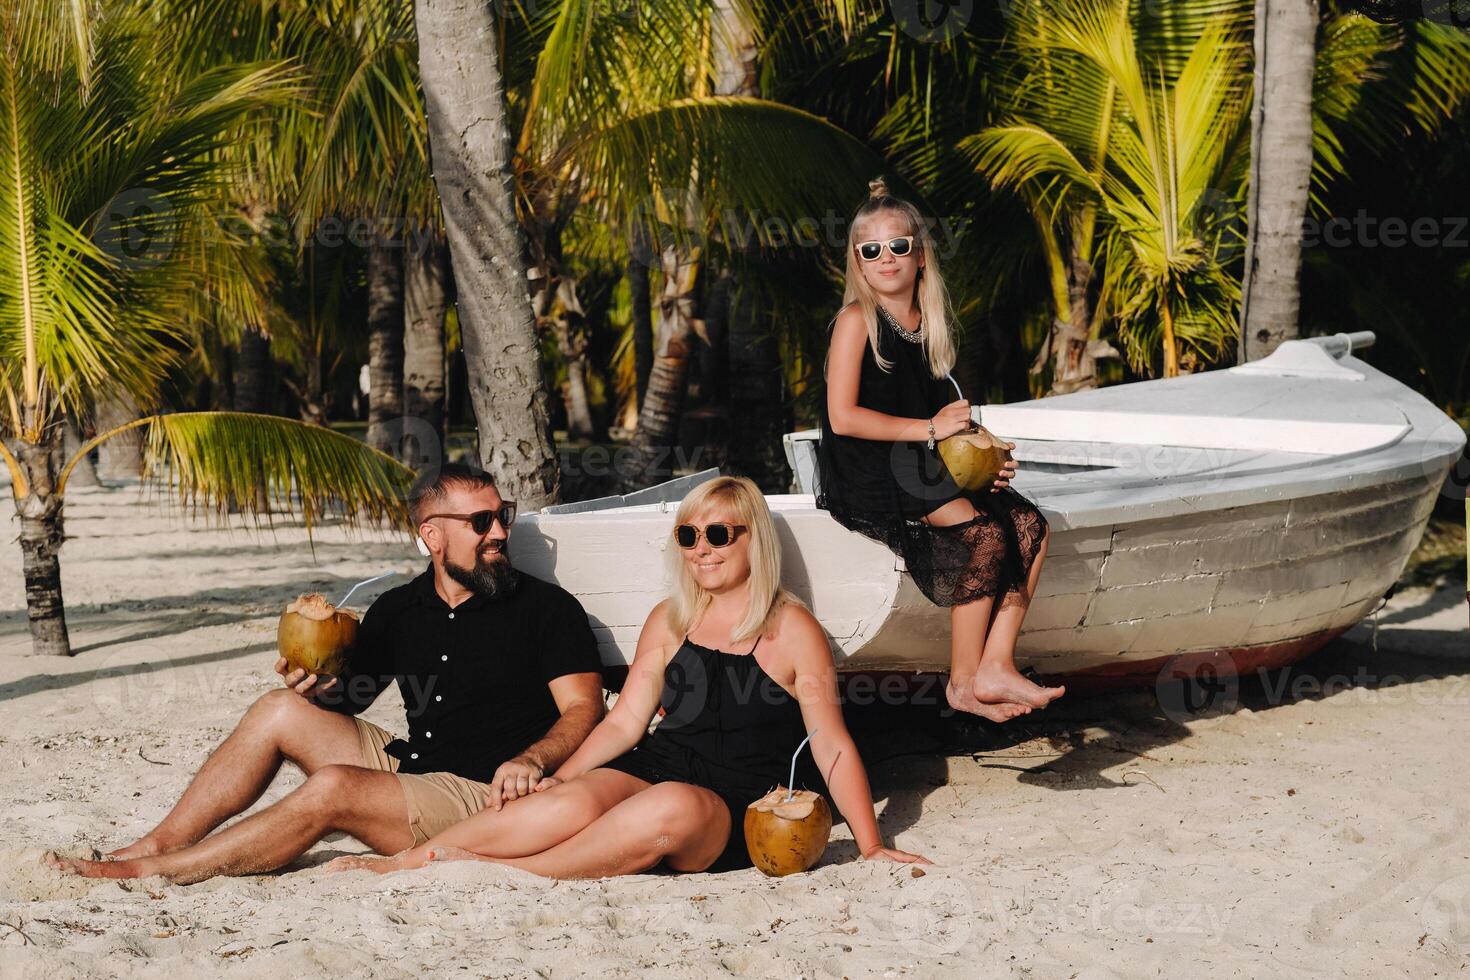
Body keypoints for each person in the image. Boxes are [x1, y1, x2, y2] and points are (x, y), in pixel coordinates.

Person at [326, 476, 929, 878]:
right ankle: (417, 859)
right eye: (689, 536)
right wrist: (559, 776)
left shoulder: (793, 629)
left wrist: (871, 844)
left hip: (733, 801)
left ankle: (499, 868)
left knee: (671, 807)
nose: (702, 550)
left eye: (718, 534)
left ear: (754, 541)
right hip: (654, 766)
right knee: (575, 797)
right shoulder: (671, 618)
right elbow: (625, 723)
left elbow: (829, 743)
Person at [46, 464, 605, 884]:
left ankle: (161, 873)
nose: (499, 533)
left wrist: (533, 759)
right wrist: (318, 688)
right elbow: (353, 696)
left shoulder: (546, 609)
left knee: (334, 786)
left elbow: (584, 708)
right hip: (415, 766)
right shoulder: (399, 608)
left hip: (483, 796)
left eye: (501, 515)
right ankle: (158, 842)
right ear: (433, 536)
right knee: (277, 709)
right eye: (480, 522)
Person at [817, 178, 1061, 722]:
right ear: (857, 262)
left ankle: (996, 663)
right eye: (870, 250)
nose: (886, 258)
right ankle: (962, 682)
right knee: (984, 537)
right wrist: (930, 429)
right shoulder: (857, 322)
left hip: (917, 461)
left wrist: (987, 464)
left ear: (920, 256)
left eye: (898, 246)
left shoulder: (928, 328)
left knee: (1030, 527)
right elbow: (843, 417)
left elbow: (949, 427)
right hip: (867, 466)